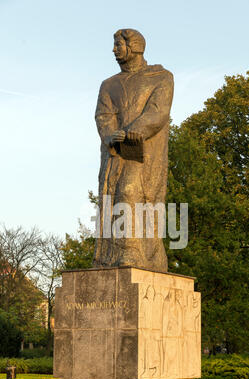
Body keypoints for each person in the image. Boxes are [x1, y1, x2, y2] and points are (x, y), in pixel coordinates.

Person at [94, 29, 174, 272]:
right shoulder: (109, 85)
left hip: (146, 152)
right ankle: (110, 257)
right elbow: (103, 115)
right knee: (112, 198)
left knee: (131, 193)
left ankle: (133, 252)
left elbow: (158, 111)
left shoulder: (161, 77)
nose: (114, 50)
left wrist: (133, 130)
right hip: (115, 153)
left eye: (119, 45)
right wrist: (110, 135)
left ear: (135, 46)